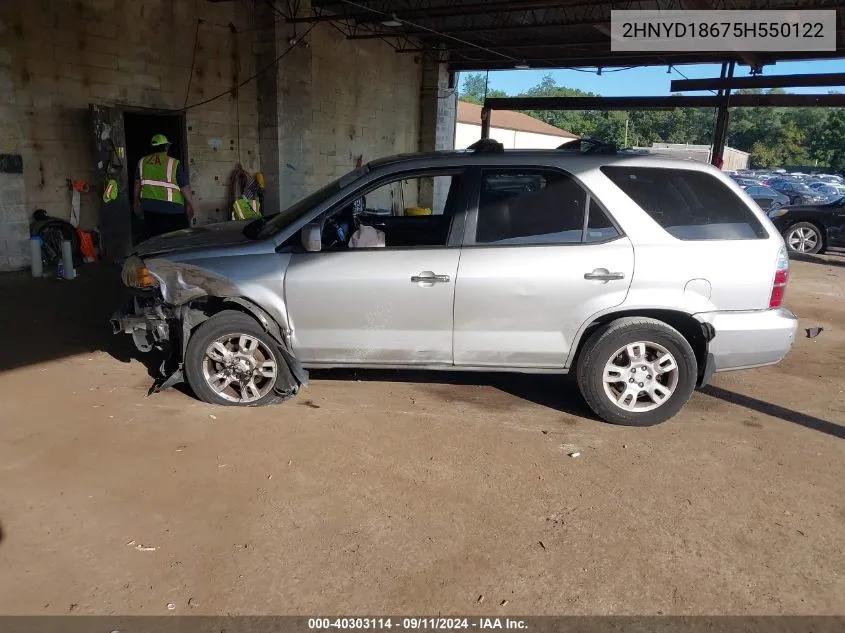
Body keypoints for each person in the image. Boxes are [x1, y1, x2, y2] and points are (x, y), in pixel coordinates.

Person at [133, 134, 195, 237]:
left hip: (150, 209)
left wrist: (136, 201)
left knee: (155, 240)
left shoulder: (142, 162)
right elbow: (184, 187)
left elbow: (137, 184)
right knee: (178, 240)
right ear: (166, 147)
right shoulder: (174, 163)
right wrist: (191, 204)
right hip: (173, 210)